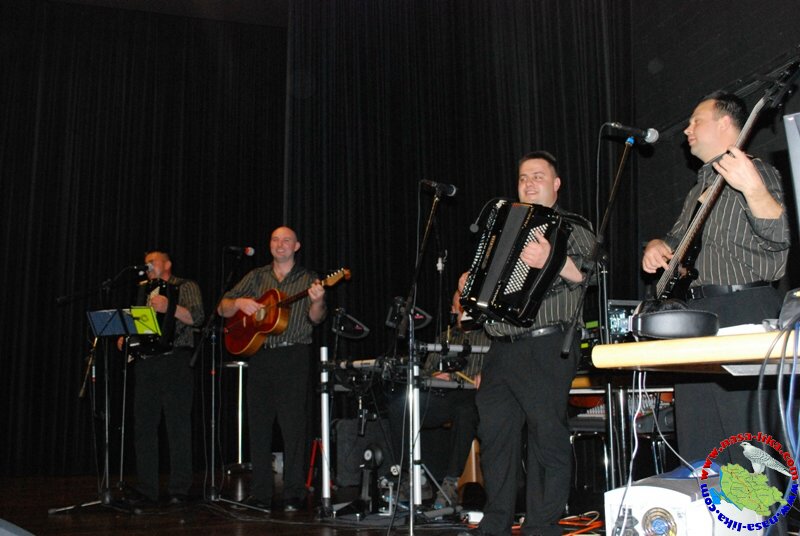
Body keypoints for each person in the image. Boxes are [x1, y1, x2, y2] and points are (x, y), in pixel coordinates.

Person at [642, 91, 790, 466]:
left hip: (744, 310)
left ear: (725, 123)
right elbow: (677, 243)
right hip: (697, 317)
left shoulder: (756, 172)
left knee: (748, 446)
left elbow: (782, 238)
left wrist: (753, 188)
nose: (686, 130)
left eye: (696, 121)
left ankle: (759, 507)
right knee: (700, 444)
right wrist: (659, 246)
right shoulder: (698, 189)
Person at [456, 151, 595, 536]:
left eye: (538, 176)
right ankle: (495, 524)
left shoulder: (572, 227)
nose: (529, 183)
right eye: (523, 178)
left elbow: (589, 275)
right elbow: (484, 290)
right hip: (501, 349)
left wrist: (552, 258)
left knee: (546, 437)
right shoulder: (505, 228)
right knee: (495, 438)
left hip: (546, 344)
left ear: (556, 184)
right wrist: (469, 284)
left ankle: (541, 526)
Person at [217, 226, 326, 512]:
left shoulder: (309, 278)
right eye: (276, 240)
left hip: (293, 355)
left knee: (293, 427)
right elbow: (222, 308)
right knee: (259, 426)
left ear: (296, 246)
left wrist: (318, 301)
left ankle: (293, 493)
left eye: (287, 240)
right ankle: (260, 493)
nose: (280, 244)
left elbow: (316, 319)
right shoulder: (256, 276)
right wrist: (239, 302)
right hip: (260, 356)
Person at [387, 291, 490, 507]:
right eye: (459, 306)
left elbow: (498, 369)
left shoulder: (488, 336)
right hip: (443, 396)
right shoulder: (445, 337)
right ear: (453, 310)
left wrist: (486, 376)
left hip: (472, 396)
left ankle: (451, 482)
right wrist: (434, 376)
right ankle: (414, 477)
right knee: (401, 406)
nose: (464, 310)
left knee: (465, 411)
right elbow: (424, 373)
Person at [123, 250, 204, 506]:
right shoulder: (143, 289)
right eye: (145, 263)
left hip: (175, 360)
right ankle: (147, 489)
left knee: (177, 425)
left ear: (167, 264)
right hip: (146, 363)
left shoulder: (185, 286)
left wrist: (170, 306)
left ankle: (179, 488)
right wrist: (128, 335)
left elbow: (198, 318)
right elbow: (141, 324)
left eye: (152, 262)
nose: (147, 267)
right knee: (144, 427)